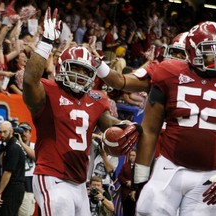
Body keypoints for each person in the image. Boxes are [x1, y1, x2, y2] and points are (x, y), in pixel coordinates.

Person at [22, 8, 141, 216]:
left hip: (79, 183)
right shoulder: (48, 91)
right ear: (62, 67)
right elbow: (30, 79)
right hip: (52, 177)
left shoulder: (96, 99)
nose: (80, 75)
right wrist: (46, 42)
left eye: (85, 70)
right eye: (75, 68)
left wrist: (128, 127)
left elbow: (109, 123)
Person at [132, 21, 216, 215]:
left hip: (210, 172)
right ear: (191, 51)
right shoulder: (168, 74)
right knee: (149, 210)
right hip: (168, 166)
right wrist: (140, 177)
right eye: (211, 50)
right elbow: (149, 130)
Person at [0, 121, 25, 216]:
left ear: (12, 131)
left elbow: (8, 172)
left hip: (13, 188)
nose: (2, 134)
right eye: (0, 132)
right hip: (11, 187)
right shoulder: (8, 146)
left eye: (5, 132)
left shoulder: (13, 147)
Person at [16, 122, 36, 216]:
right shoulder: (14, 146)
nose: (23, 133)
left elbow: (36, 156)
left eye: (26, 131)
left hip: (29, 184)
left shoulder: (34, 146)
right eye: (21, 130)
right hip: (15, 184)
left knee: (26, 213)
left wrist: (21, 143)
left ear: (30, 134)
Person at [118, 149, 137, 216]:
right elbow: (120, 176)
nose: (131, 157)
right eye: (130, 155)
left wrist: (133, 184)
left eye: (133, 155)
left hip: (136, 195)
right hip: (126, 194)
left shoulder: (140, 167)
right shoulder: (125, 165)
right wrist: (126, 182)